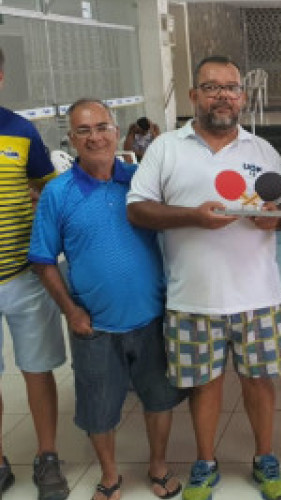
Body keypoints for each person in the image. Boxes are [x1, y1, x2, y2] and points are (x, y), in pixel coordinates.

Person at [127, 55, 281, 500]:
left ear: (243, 97)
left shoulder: (264, 151)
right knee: (205, 385)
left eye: (231, 88)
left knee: (260, 382)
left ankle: (264, 458)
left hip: (258, 295)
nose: (223, 96)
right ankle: (205, 462)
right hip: (193, 297)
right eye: (211, 87)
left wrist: (272, 218)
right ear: (194, 95)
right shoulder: (166, 148)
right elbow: (137, 209)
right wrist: (193, 217)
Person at [28, 98, 186, 500]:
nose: (94, 137)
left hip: (152, 316)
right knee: (98, 409)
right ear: (71, 138)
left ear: (116, 132)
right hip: (94, 325)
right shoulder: (57, 194)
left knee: (159, 399)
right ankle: (110, 476)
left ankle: (158, 466)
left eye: (101, 127)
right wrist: (71, 312)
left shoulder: (140, 182)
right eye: (83, 130)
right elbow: (42, 260)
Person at [0, 46, 70, 500]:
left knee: (37, 369)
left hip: (25, 275)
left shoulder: (21, 130)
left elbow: (50, 188)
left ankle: (47, 457)